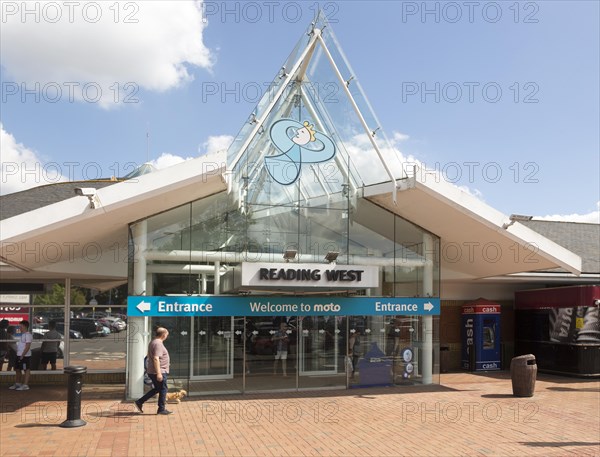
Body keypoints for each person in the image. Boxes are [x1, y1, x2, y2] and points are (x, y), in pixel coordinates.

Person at [134, 327, 173, 415]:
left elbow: (149, 355)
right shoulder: (158, 344)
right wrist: (159, 373)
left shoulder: (153, 342)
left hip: (155, 370)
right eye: (167, 334)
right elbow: (156, 358)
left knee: (157, 389)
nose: (167, 336)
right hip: (158, 372)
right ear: (163, 335)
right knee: (163, 389)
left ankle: (140, 402)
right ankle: (161, 409)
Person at [9, 320, 33, 391]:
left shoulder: (28, 335)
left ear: (25, 326)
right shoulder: (23, 335)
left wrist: (23, 355)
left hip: (24, 356)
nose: (19, 328)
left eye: (21, 326)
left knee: (26, 369)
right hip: (19, 355)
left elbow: (27, 346)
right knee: (17, 369)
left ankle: (25, 385)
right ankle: (18, 383)